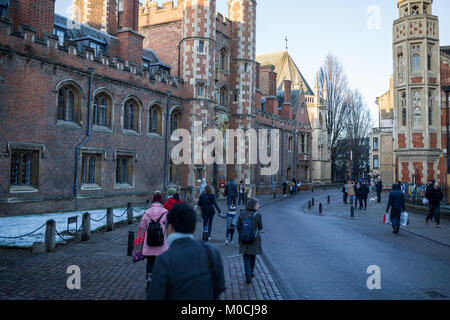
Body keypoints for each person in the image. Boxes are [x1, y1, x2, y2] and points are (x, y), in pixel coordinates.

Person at [147, 203, 226, 300]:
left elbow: (155, 296)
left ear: (170, 227)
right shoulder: (212, 252)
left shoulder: (164, 260)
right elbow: (219, 288)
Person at [139, 193, 169, 289]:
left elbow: (142, 227)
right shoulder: (165, 212)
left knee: (150, 262)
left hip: (149, 243)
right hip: (161, 243)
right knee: (160, 263)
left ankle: (149, 280)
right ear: (161, 201)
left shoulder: (147, 212)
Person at [236, 198, 263, 284]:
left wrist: (243, 233)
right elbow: (261, 227)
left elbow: (237, 226)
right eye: (257, 204)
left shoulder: (242, 214)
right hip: (254, 240)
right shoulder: (258, 215)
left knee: (246, 257)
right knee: (252, 256)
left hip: (244, 239)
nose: (259, 206)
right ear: (253, 205)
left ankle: (247, 276)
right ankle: (250, 273)